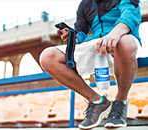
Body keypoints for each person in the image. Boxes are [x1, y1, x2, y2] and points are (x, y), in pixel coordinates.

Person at [39, 0, 142, 129]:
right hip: (96, 44)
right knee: (47, 56)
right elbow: (81, 32)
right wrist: (71, 37)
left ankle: (120, 102)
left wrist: (114, 34)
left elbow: (130, 15)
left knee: (125, 43)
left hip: (122, 39)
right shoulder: (84, 4)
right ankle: (97, 102)